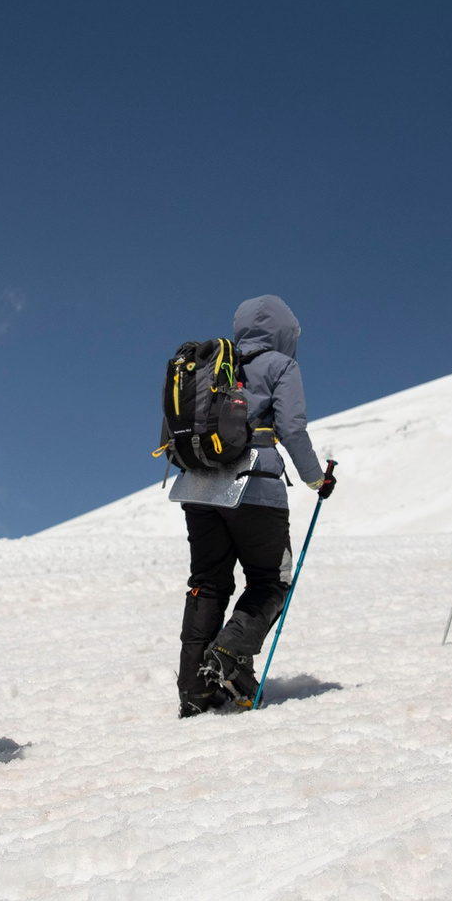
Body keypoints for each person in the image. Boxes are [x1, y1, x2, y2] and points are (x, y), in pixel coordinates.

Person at [170, 296, 333, 714]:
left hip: (198, 486)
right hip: (255, 485)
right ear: (283, 332)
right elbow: (292, 429)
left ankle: (195, 690)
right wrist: (317, 478)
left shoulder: (212, 364)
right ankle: (228, 654)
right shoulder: (281, 366)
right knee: (271, 580)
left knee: (208, 582)